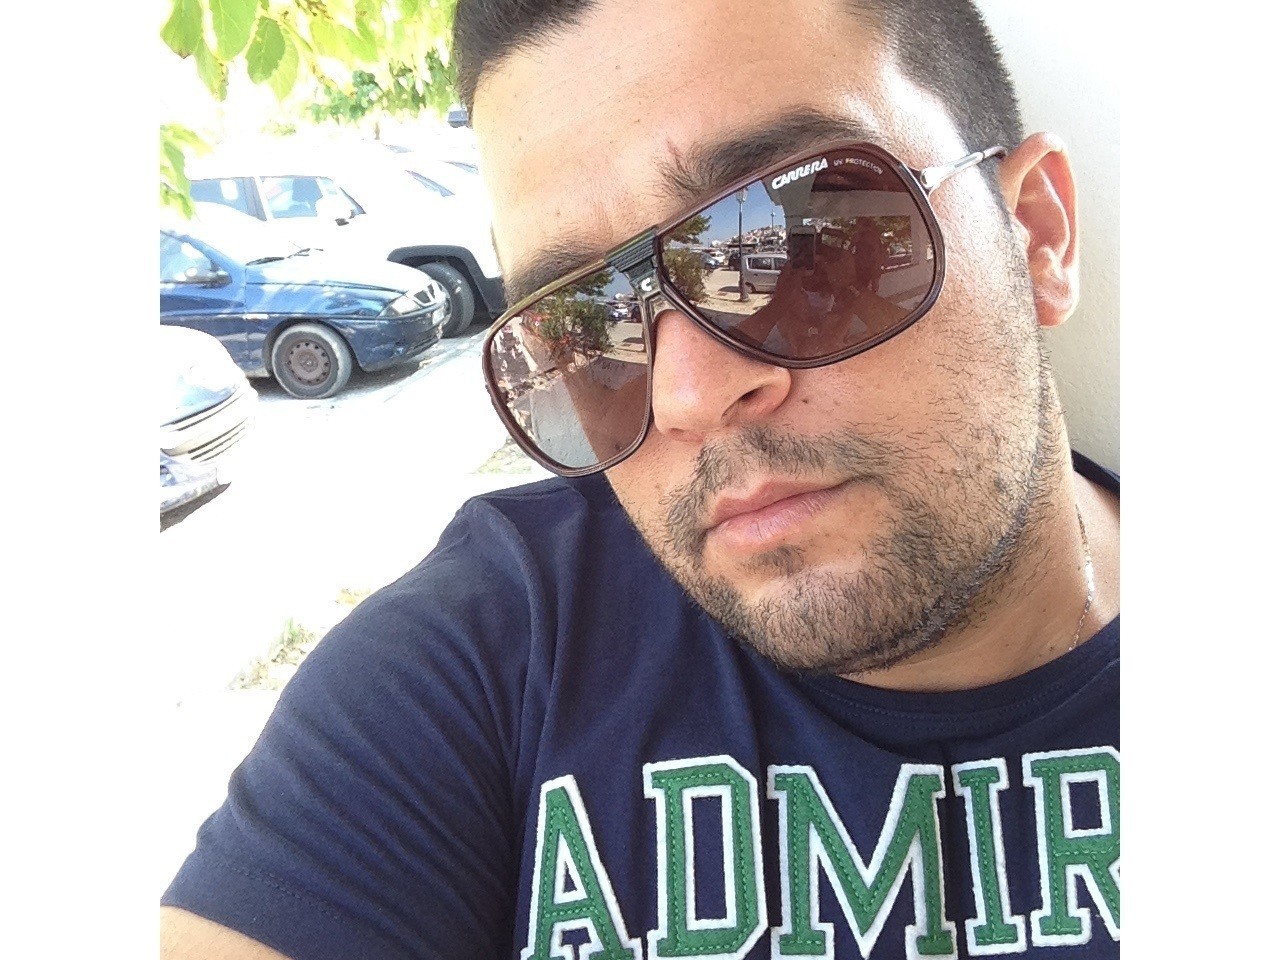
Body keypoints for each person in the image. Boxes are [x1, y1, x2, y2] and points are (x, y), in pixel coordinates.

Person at [161, 0, 1120, 957]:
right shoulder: (476, 668)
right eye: (584, 333)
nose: (687, 397)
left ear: (1036, 235)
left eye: (795, 243)